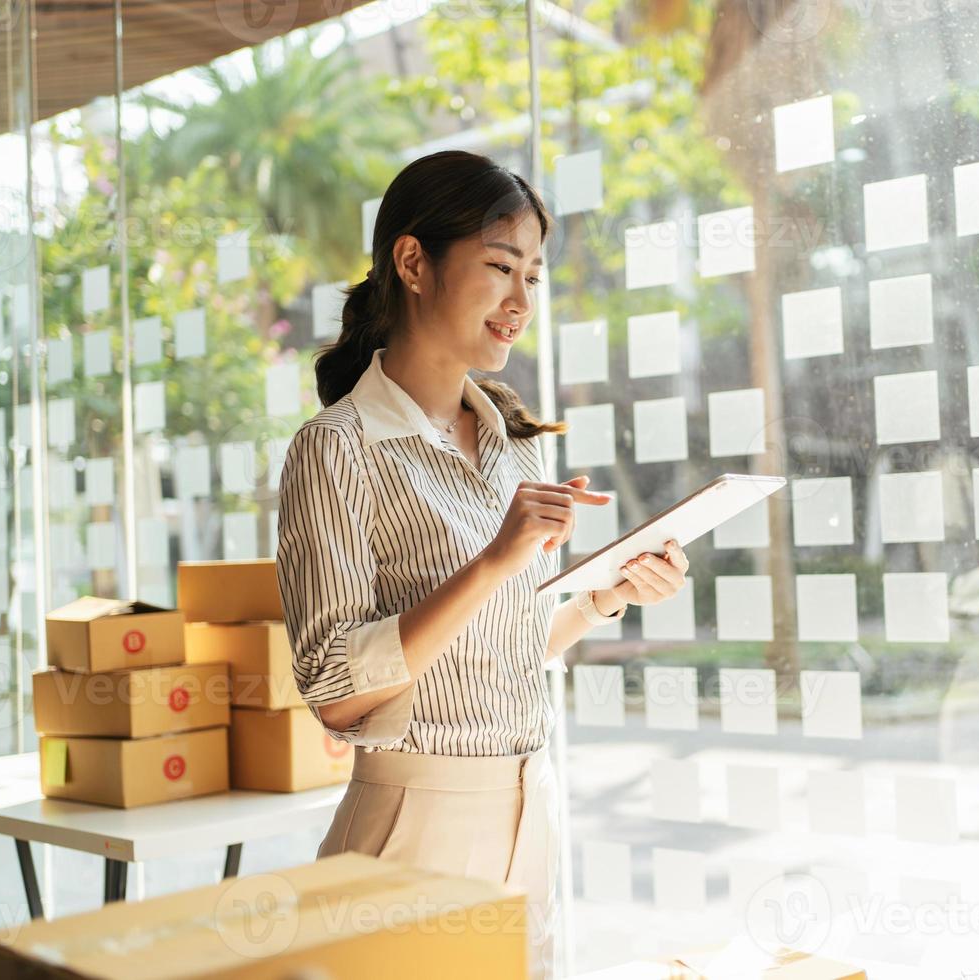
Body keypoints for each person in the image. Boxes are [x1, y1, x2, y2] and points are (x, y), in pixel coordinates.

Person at [274, 149, 689, 978]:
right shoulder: (336, 450)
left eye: (533, 277)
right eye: (501, 267)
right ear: (413, 262)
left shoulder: (510, 449)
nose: (520, 301)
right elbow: (333, 690)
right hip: (410, 825)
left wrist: (606, 597)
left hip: (528, 811)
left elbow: (499, 645)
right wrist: (496, 560)